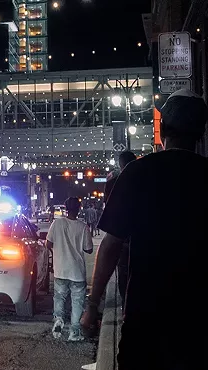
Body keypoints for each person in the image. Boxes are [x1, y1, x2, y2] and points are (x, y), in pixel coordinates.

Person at [82, 89, 208, 369]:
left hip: (145, 316)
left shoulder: (137, 173)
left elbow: (111, 244)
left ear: (162, 130)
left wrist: (93, 305)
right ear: (200, 134)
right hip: (199, 320)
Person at [45, 197, 93, 342]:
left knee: (59, 297)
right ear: (79, 209)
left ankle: (59, 319)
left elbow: (48, 243)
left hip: (60, 269)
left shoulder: (57, 223)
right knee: (77, 302)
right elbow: (89, 249)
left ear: (65, 208)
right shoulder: (83, 227)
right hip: (77, 272)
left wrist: (57, 251)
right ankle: (74, 333)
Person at [104, 150, 137, 304]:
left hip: (122, 237)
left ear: (120, 164)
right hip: (146, 236)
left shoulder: (113, 183)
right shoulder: (149, 178)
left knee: (123, 271)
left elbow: (109, 209)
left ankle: (126, 307)